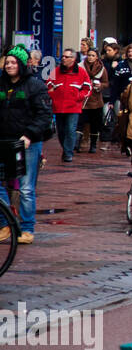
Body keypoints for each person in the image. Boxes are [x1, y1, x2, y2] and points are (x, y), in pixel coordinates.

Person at [0, 47, 53, 244]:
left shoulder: (35, 86)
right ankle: (5, 224)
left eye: (13, 63)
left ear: (21, 65)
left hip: (27, 142)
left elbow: (44, 114)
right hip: (3, 140)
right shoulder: (1, 84)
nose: (9, 66)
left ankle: (27, 228)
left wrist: (29, 134)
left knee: (26, 187)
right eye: (7, 63)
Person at [47, 49, 91, 162]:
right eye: (63, 56)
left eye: (66, 57)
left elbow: (87, 88)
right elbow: (48, 84)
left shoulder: (81, 72)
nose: (63, 59)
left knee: (70, 130)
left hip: (73, 107)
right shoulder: (56, 71)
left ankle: (68, 153)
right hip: (58, 106)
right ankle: (66, 149)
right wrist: (53, 94)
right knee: (61, 131)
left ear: (73, 59)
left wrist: (78, 97)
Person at [79, 48, 108, 153]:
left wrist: (100, 85)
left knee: (95, 124)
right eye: (89, 55)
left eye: (93, 55)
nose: (90, 57)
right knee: (81, 122)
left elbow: (105, 82)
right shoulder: (80, 66)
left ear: (97, 57)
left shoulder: (101, 69)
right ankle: (79, 143)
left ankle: (93, 144)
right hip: (83, 98)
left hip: (96, 99)